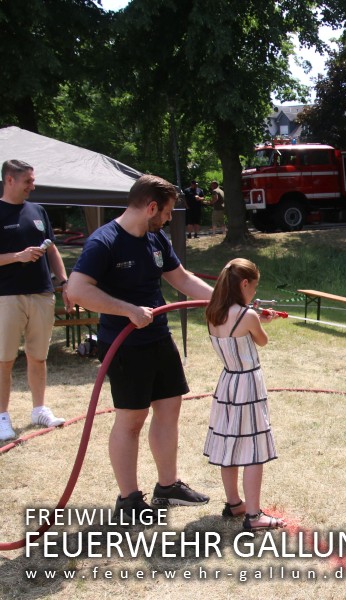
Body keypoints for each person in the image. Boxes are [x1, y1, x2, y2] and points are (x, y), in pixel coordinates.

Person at [67, 174, 213, 522]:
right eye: (165, 212)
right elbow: (77, 290)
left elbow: (181, 278)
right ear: (150, 207)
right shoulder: (104, 242)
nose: (168, 219)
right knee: (131, 420)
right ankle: (129, 500)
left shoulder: (155, 238)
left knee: (168, 410)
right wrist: (128, 310)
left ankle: (168, 486)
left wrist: (228, 301)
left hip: (158, 339)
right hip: (124, 345)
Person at [204, 258, 284, 531]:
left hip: (227, 383)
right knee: (253, 449)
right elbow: (261, 340)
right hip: (248, 385)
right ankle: (253, 515)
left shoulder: (213, 313)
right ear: (244, 283)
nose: (254, 292)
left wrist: (255, 318)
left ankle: (234, 502)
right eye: (254, 286)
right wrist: (263, 321)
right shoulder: (247, 316)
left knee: (229, 444)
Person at [0, 159, 74, 442]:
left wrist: (63, 282)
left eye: (33, 180)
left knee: (38, 356)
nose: (34, 185)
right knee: (4, 359)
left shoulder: (38, 210)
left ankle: (39, 409)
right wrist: (17, 257)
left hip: (42, 294)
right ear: (10, 180)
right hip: (7, 296)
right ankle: (2, 416)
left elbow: (52, 249)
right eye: (28, 181)